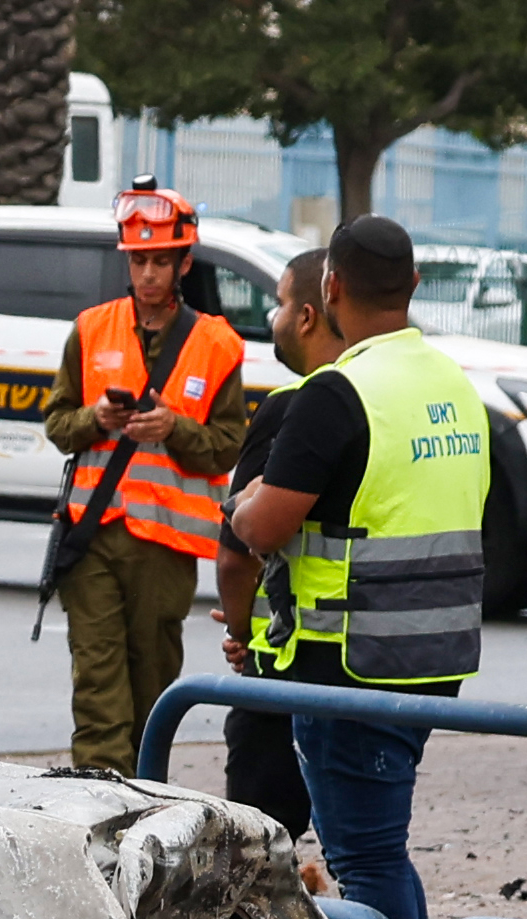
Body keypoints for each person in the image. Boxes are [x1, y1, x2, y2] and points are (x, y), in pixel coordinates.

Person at [218, 214, 486, 919]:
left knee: (365, 863)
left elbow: (259, 528)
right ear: (410, 288)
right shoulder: (449, 381)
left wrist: (237, 504)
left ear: (330, 289)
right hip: (431, 656)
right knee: (379, 848)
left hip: (351, 664)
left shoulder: (341, 394)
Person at [41, 185, 247, 774]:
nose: (148, 273)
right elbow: (58, 424)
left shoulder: (216, 345)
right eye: (138, 260)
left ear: (184, 263)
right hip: (91, 537)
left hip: (164, 549)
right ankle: (98, 793)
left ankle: (142, 796)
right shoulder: (90, 329)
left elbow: (228, 446)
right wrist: (94, 419)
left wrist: (174, 428)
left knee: (152, 683)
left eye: (161, 261)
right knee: (98, 683)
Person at [214, 244, 341, 839]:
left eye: (282, 304)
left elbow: (237, 556)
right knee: (362, 843)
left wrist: (240, 632)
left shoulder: (295, 409)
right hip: (371, 663)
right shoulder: (386, 402)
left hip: (285, 659)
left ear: (310, 316)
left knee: (262, 844)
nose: (276, 318)